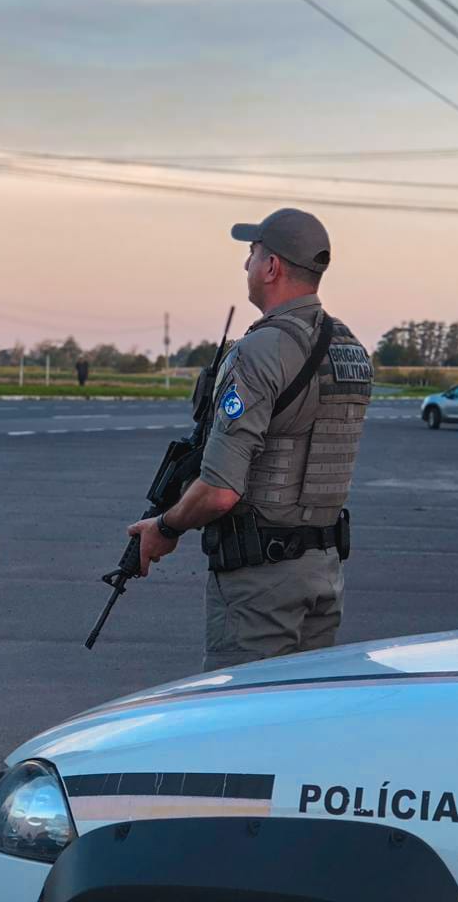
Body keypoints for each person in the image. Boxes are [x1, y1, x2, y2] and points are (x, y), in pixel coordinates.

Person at [127, 208, 372, 671]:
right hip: (323, 573)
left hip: (261, 584)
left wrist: (165, 527)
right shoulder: (350, 348)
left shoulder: (262, 350)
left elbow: (220, 492)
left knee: (240, 727)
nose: (247, 265)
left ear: (273, 266)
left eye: (253, 253)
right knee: (299, 725)